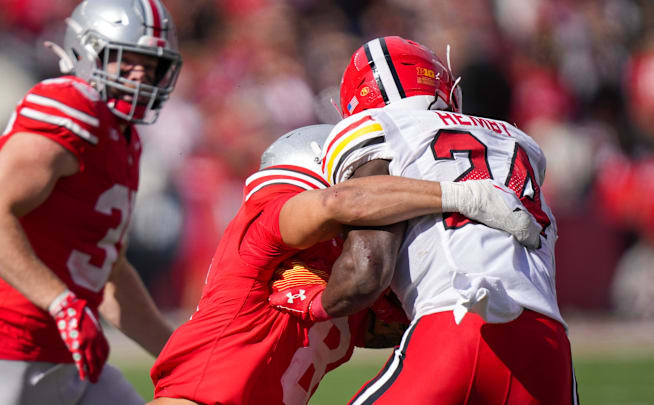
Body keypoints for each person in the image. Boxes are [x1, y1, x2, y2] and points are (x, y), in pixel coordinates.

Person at [149, 124, 539, 405]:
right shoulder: (263, 223)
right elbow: (341, 202)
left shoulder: (347, 275)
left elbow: (404, 322)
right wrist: (464, 195)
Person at [309, 36, 579, 404]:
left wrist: (310, 304)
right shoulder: (518, 143)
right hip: (548, 349)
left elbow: (365, 272)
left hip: (457, 324)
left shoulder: (384, 128)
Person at [0, 0, 182, 403]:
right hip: (10, 344)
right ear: (87, 51)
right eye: (128, 60)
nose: (142, 74)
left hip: (67, 351)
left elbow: (107, 269)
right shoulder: (72, 105)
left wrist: (178, 355)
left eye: (151, 65)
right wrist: (61, 302)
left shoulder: (124, 137)